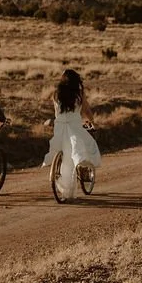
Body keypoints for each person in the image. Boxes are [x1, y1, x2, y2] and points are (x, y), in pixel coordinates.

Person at [43, 69, 101, 200]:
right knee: (86, 147)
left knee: (62, 150)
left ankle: (62, 173)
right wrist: (92, 122)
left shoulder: (56, 94)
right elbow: (86, 110)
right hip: (74, 127)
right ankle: (82, 168)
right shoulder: (79, 94)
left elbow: (56, 112)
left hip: (60, 126)